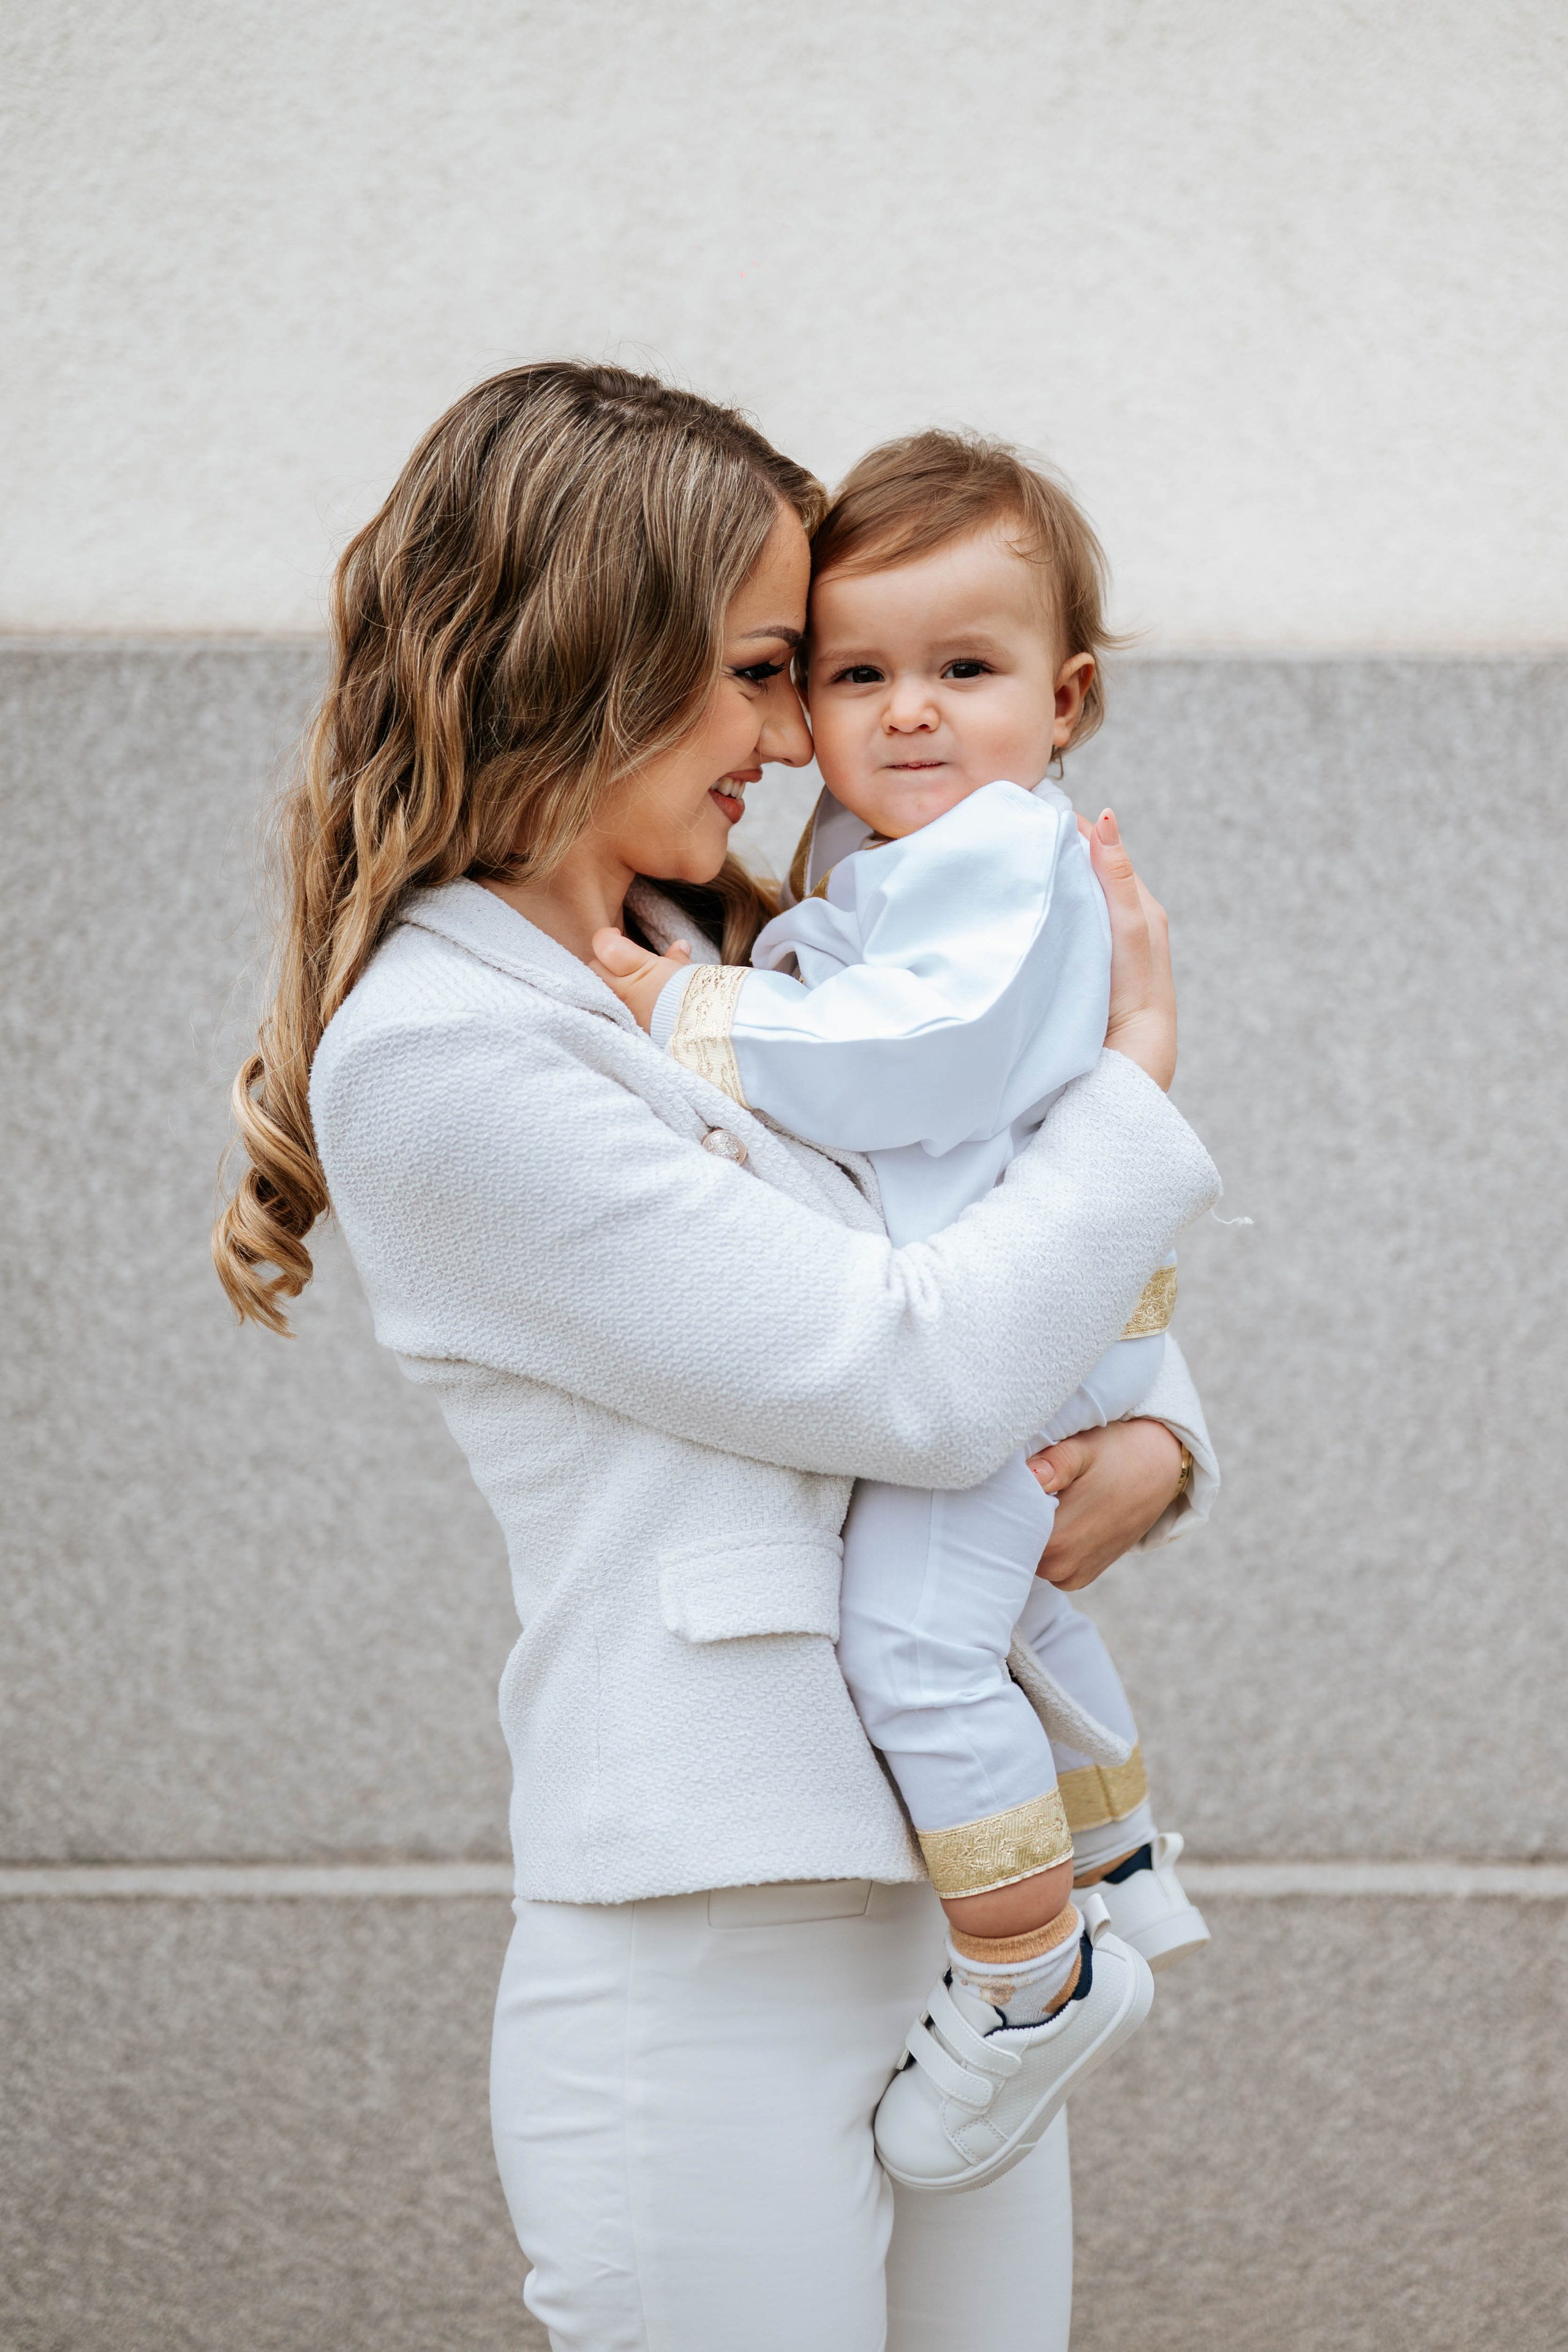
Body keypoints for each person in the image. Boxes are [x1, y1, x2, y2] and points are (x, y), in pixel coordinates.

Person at [213, 361, 1219, 2352]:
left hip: (945, 1915)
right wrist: (1137, 1084)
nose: (800, 734)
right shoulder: (443, 1051)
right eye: (767, 672)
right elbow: (914, 1371)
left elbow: (979, 1244)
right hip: (709, 1930)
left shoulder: (743, 960)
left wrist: (1163, 1439)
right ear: (599, 654)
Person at [594, 430, 1214, 2196]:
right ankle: (1113, 1864)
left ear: (1068, 694)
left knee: (919, 1651)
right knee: (1008, 1612)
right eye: (855, 673)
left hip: (999, 1337)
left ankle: (1033, 1982)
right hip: (1031, 1309)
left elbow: (918, 1060)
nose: (908, 713)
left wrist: (692, 1013)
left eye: (966, 668)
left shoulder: (1000, 864)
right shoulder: (911, 868)